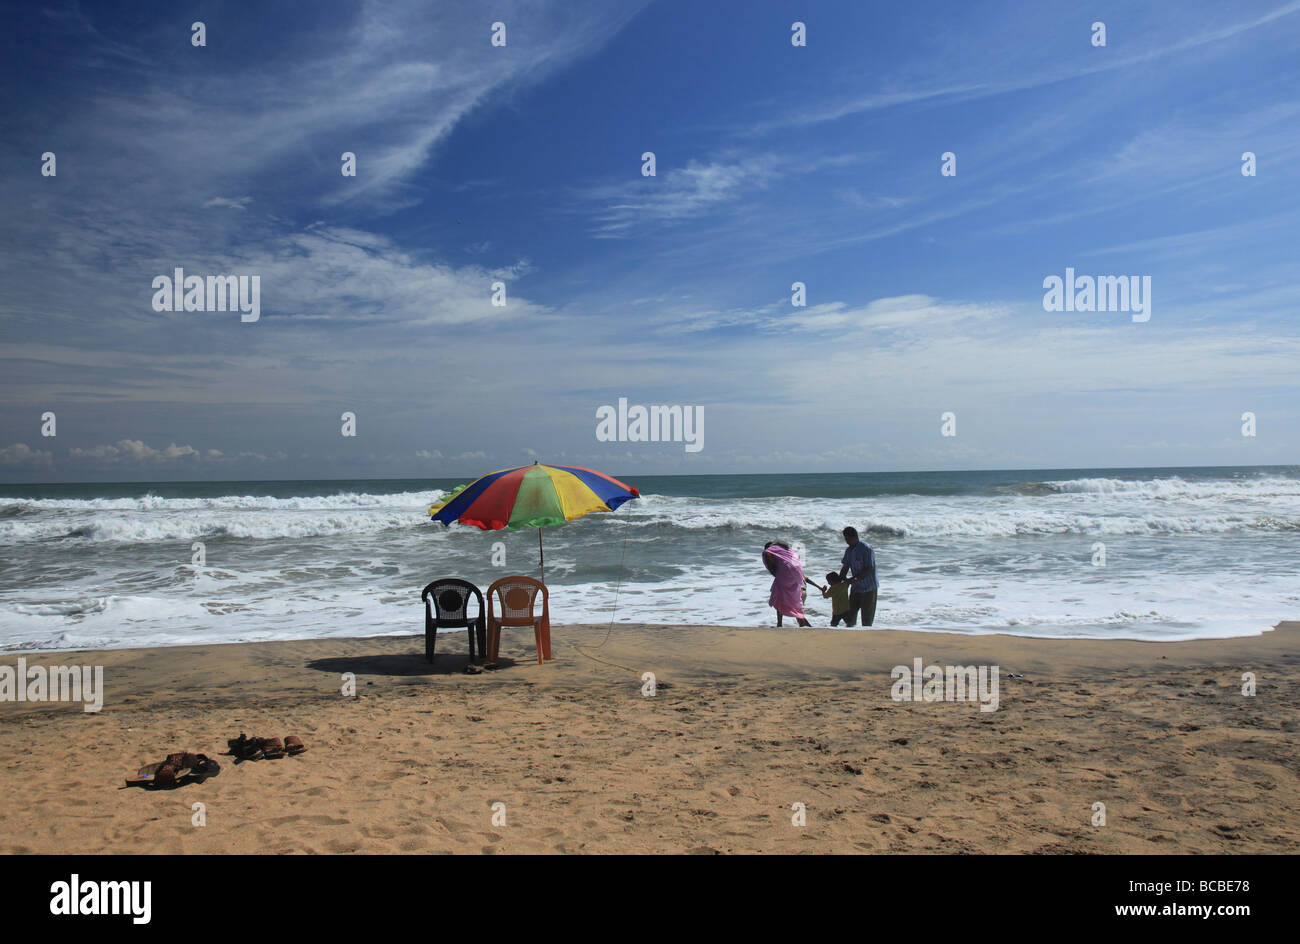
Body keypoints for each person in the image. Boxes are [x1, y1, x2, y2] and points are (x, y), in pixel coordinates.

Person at [762, 541, 812, 628]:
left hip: (785, 575)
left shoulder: (769, 553)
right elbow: (800, 573)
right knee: (794, 603)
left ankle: (780, 624)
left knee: (779, 598)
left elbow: (773, 570)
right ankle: (804, 624)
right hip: (796, 576)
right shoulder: (787, 553)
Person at [837, 526, 878, 627]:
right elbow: (845, 567)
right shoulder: (849, 551)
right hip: (856, 588)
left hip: (869, 588)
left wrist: (853, 579)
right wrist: (838, 582)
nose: (847, 541)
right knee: (850, 617)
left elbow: (869, 568)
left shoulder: (866, 548)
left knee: (867, 620)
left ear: (855, 537)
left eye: (848, 539)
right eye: (845, 539)